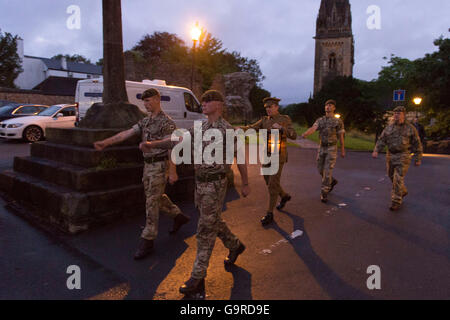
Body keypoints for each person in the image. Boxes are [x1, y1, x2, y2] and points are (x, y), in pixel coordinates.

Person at [140, 90, 251, 296]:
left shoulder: (227, 130)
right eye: (204, 100)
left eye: (209, 100)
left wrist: (245, 183)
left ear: (219, 105)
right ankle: (235, 245)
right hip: (199, 184)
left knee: (204, 230)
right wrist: (152, 144)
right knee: (213, 221)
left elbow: (240, 157)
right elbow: (176, 138)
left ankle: (197, 278)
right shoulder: (201, 127)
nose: (204, 103)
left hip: (215, 184)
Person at [93, 88, 190, 260]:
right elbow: (126, 133)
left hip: (160, 166)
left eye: (149, 101)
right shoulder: (145, 121)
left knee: (151, 202)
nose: (146, 104)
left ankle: (148, 239)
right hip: (147, 167)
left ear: (158, 100)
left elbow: (172, 145)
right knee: (157, 197)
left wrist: (172, 171)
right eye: (144, 101)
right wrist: (105, 142)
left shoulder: (166, 122)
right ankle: (178, 216)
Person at [241, 97, 297, 225]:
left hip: (278, 155)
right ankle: (283, 195)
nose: (268, 109)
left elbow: (294, 135)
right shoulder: (264, 120)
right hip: (267, 155)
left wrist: (282, 129)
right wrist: (239, 129)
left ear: (276, 107)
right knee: (267, 180)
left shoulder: (284, 119)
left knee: (272, 184)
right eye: (266, 107)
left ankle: (270, 213)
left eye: (270, 107)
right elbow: (252, 127)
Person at [372, 106, 423, 211]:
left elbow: (417, 143)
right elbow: (382, 139)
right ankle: (402, 191)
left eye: (399, 113)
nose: (396, 115)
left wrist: (418, 158)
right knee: (391, 176)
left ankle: (396, 201)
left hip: (403, 155)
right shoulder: (389, 127)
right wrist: (376, 150)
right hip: (390, 155)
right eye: (395, 113)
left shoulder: (410, 128)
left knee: (398, 178)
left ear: (404, 115)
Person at [301, 99, 346, 203]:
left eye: (330, 105)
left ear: (334, 108)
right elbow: (314, 128)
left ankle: (324, 192)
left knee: (327, 171)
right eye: (326, 105)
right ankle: (332, 181)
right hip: (322, 147)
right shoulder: (320, 120)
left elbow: (341, 135)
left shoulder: (338, 121)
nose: (328, 107)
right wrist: (306, 133)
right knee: (320, 169)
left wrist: (342, 149)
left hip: (332, 148)